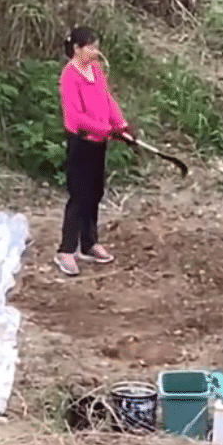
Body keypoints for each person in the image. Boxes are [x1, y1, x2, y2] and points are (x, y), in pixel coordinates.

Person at [55, 26, 137, 276]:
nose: (95, 52)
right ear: (77, 49)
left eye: (96, 46)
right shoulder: (69, 76)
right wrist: (105, 129)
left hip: (99, 141)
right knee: (79, 195)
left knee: (95, 191)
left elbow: (106, 99)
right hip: (81, 142)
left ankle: (89, 243)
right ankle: (66, 250)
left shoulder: (96, 70)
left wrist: (120, 125)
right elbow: (75, 117)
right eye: (90, 47)